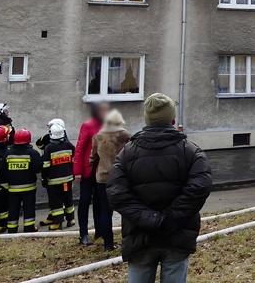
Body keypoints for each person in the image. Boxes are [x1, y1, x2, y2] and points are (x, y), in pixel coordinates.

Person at [108, 93, 212, 283]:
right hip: (177, 236)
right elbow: (199, 188)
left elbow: (117, 193)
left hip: (140, 237)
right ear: (172, 120)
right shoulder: (191, 151)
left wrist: (152, 220)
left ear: (146, 120)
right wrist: (168, 219)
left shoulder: (126, 154)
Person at [90, 109, 130, 251]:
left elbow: (93, 157)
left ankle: (108, 245)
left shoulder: (98, 137)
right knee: (126, 209)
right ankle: (128, 240)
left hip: (102, 178)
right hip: (121, 177)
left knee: (105, 211)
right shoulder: (124, 135)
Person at [75, 102, 110, 246]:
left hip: (101, 171)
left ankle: (99, 231)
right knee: (84, 201)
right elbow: (79, 148)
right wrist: (77, 172)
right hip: (87, 171)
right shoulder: (88, 126)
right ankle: (83, 234)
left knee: (100, 202)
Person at [3, 128, 41, 233]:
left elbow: (3, 168)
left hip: (13, 188)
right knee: (29, 207)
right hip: (29, 187)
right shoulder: (32, 153)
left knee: (13, 208)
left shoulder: (8, 153)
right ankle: (29, 228)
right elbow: (38, 168)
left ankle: (12, 228)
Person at [40, 122, 76, 230]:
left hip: (54, 181)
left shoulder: (49, 148)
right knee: (68, 198)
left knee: (56, 202)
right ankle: (71, 219)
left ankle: (58, 223)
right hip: (68, 179)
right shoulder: (69, 145)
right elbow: (74, 161)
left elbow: (46, 166)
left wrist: (43, 179)